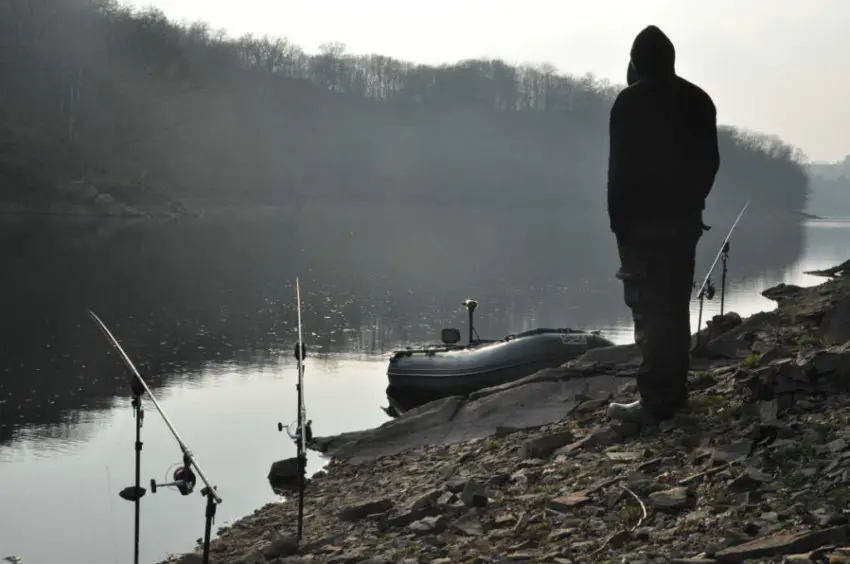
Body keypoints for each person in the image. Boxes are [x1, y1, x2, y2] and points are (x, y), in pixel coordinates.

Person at [606, 25, 720, 424]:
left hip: (642, 228)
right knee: (673, 306)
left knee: (650, 311)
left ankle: (656, 402)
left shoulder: (630, 102)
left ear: (636, 63)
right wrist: (693, 204)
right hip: (685, 223)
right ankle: (674, 393)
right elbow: (710, 164)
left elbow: (620, 170)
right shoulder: (699, 100)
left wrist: (619, 225)